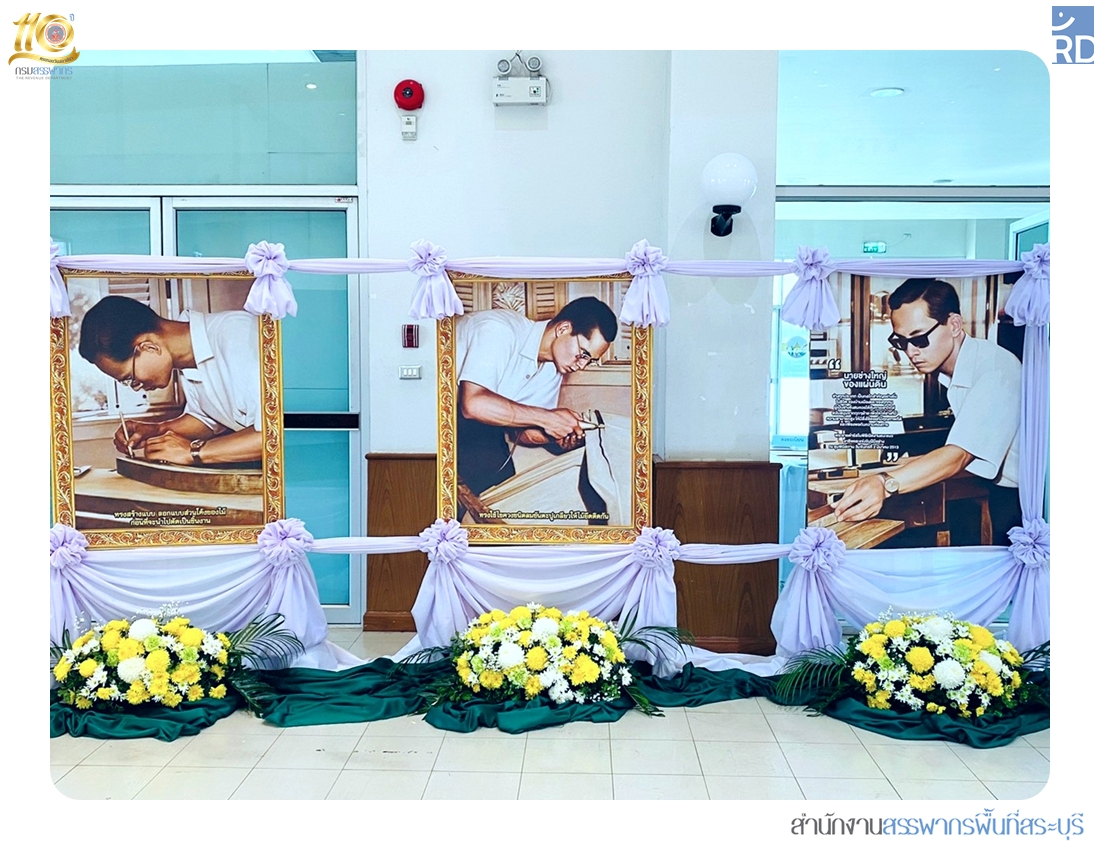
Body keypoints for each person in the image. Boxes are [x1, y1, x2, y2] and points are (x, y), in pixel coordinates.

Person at [831, 277, 1022, 543]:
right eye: (901, 342)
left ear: (954, 325)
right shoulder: (958, 372)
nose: (911, 352)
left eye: (919, 339)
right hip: (1003, 492)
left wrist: (885, 483)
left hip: (1029, 499)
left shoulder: (994, 369)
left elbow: (959, 456)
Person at [454, 296, 617, 497]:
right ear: (563, 329)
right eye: (583, 353)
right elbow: (473, 405)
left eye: (589, 360)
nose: (582, 365)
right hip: (433, 419)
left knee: (502, 495)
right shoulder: (499, 329)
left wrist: (556, 436)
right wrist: (548, 418)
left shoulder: (553, 369)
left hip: (477, 430)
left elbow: (522, 433)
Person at [77, 295, 262, 466]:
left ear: (148, 347)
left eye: (130, 378)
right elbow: (208, 419)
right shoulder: (187, 358)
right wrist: (158, 429)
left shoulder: (238, 335)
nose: (136, 388)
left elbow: (274, 432)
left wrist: (194, 452)